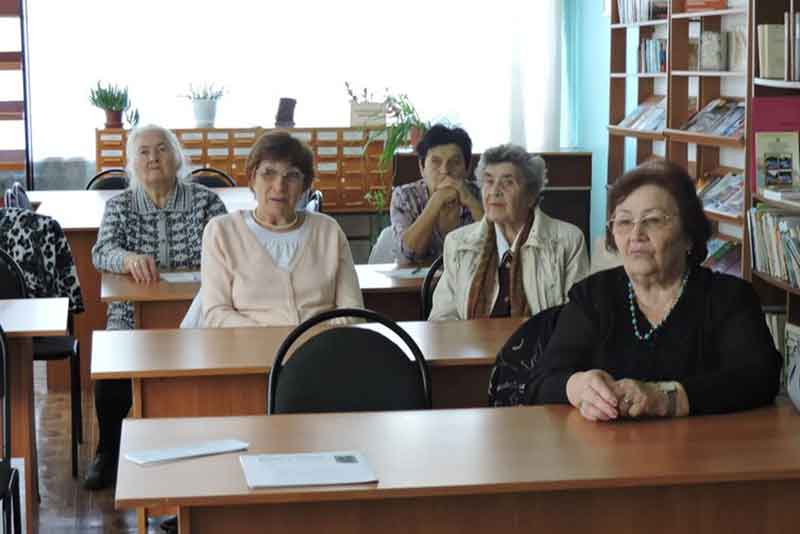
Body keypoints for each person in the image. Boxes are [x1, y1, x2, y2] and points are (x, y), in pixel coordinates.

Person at [528, 160, 781, 419]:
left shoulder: (728, 297)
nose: (636, 234)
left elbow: (759, 377)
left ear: (688, 235)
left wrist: (666, 398)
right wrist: (579, 387)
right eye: (624, 222)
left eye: (653, 220)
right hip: (607, 454)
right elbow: (541, 382)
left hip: (703, 452)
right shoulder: (592, 295)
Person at [86, 124, 227, 490]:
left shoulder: (205, 202)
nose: (153, 158)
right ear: (132, 162)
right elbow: (101, 252)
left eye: (162, 149)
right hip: (133, 312)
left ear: (177, 157)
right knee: (112, 367)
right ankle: (109, 452)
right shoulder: (120, 205)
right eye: (144, 151)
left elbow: (229, 248)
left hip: (199, 311)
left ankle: (199, 450)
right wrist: (128, 258)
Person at [201, 131, 363, 327]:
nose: (279, 186)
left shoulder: (328, 231)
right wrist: (273, 340)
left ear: (304, 185)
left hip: (321, 351)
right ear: (252, 178)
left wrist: (312, 341)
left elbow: (353, 311)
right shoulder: (221, 232)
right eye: (269, 173)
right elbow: (216, 313)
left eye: (292, 176)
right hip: (250, 352)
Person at [429, 143, 588, 320]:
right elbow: (441, 319)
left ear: (531, 195)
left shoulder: (568, 241)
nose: (495, 191)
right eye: (489, 181)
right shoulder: (458, 242)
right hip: (473, 346)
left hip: (542, 347)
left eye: (508, 182)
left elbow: (576, 320)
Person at [390, 124, 483, 263]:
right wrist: (436, 201)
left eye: (455, 162)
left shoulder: (481, 193)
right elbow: (410, 254)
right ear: (422, 168)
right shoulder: (405, 196)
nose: (445, 170)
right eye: (436, 162)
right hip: (419, 283)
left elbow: (498, 246)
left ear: (467, 168)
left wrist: (471, 202)